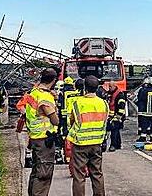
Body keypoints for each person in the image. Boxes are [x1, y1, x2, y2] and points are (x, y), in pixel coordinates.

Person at [20, 68, 60, 196]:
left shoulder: (34, 92)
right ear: (53, 81)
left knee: (36, 172)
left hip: (34, 137)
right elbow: (55, 121)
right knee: (44, 174)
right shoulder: (45, 97)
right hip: (44, 140)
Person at [68, 75, 109, 196]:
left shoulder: (77, 103)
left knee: (79, 175)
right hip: (97, 143)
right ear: (97, 88)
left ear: (84, 87)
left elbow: (72, 120)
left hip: (80, 143)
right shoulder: (103, 103)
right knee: (97, 173)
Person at [136, 76, 152, 142]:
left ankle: (143, 137)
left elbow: (140, 99)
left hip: (146, 111)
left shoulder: (144, 91)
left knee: (144, 124)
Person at [106, 81, 127, 152]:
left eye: (110, 86)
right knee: (116, 130)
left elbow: (121, 107)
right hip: (111, 116)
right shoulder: (110, 94)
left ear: (114, 86)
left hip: (118, 116)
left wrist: (117, 117)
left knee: (114, 130)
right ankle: (118, 144)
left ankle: (113, 145)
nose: (109, 88)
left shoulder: (120, 95)